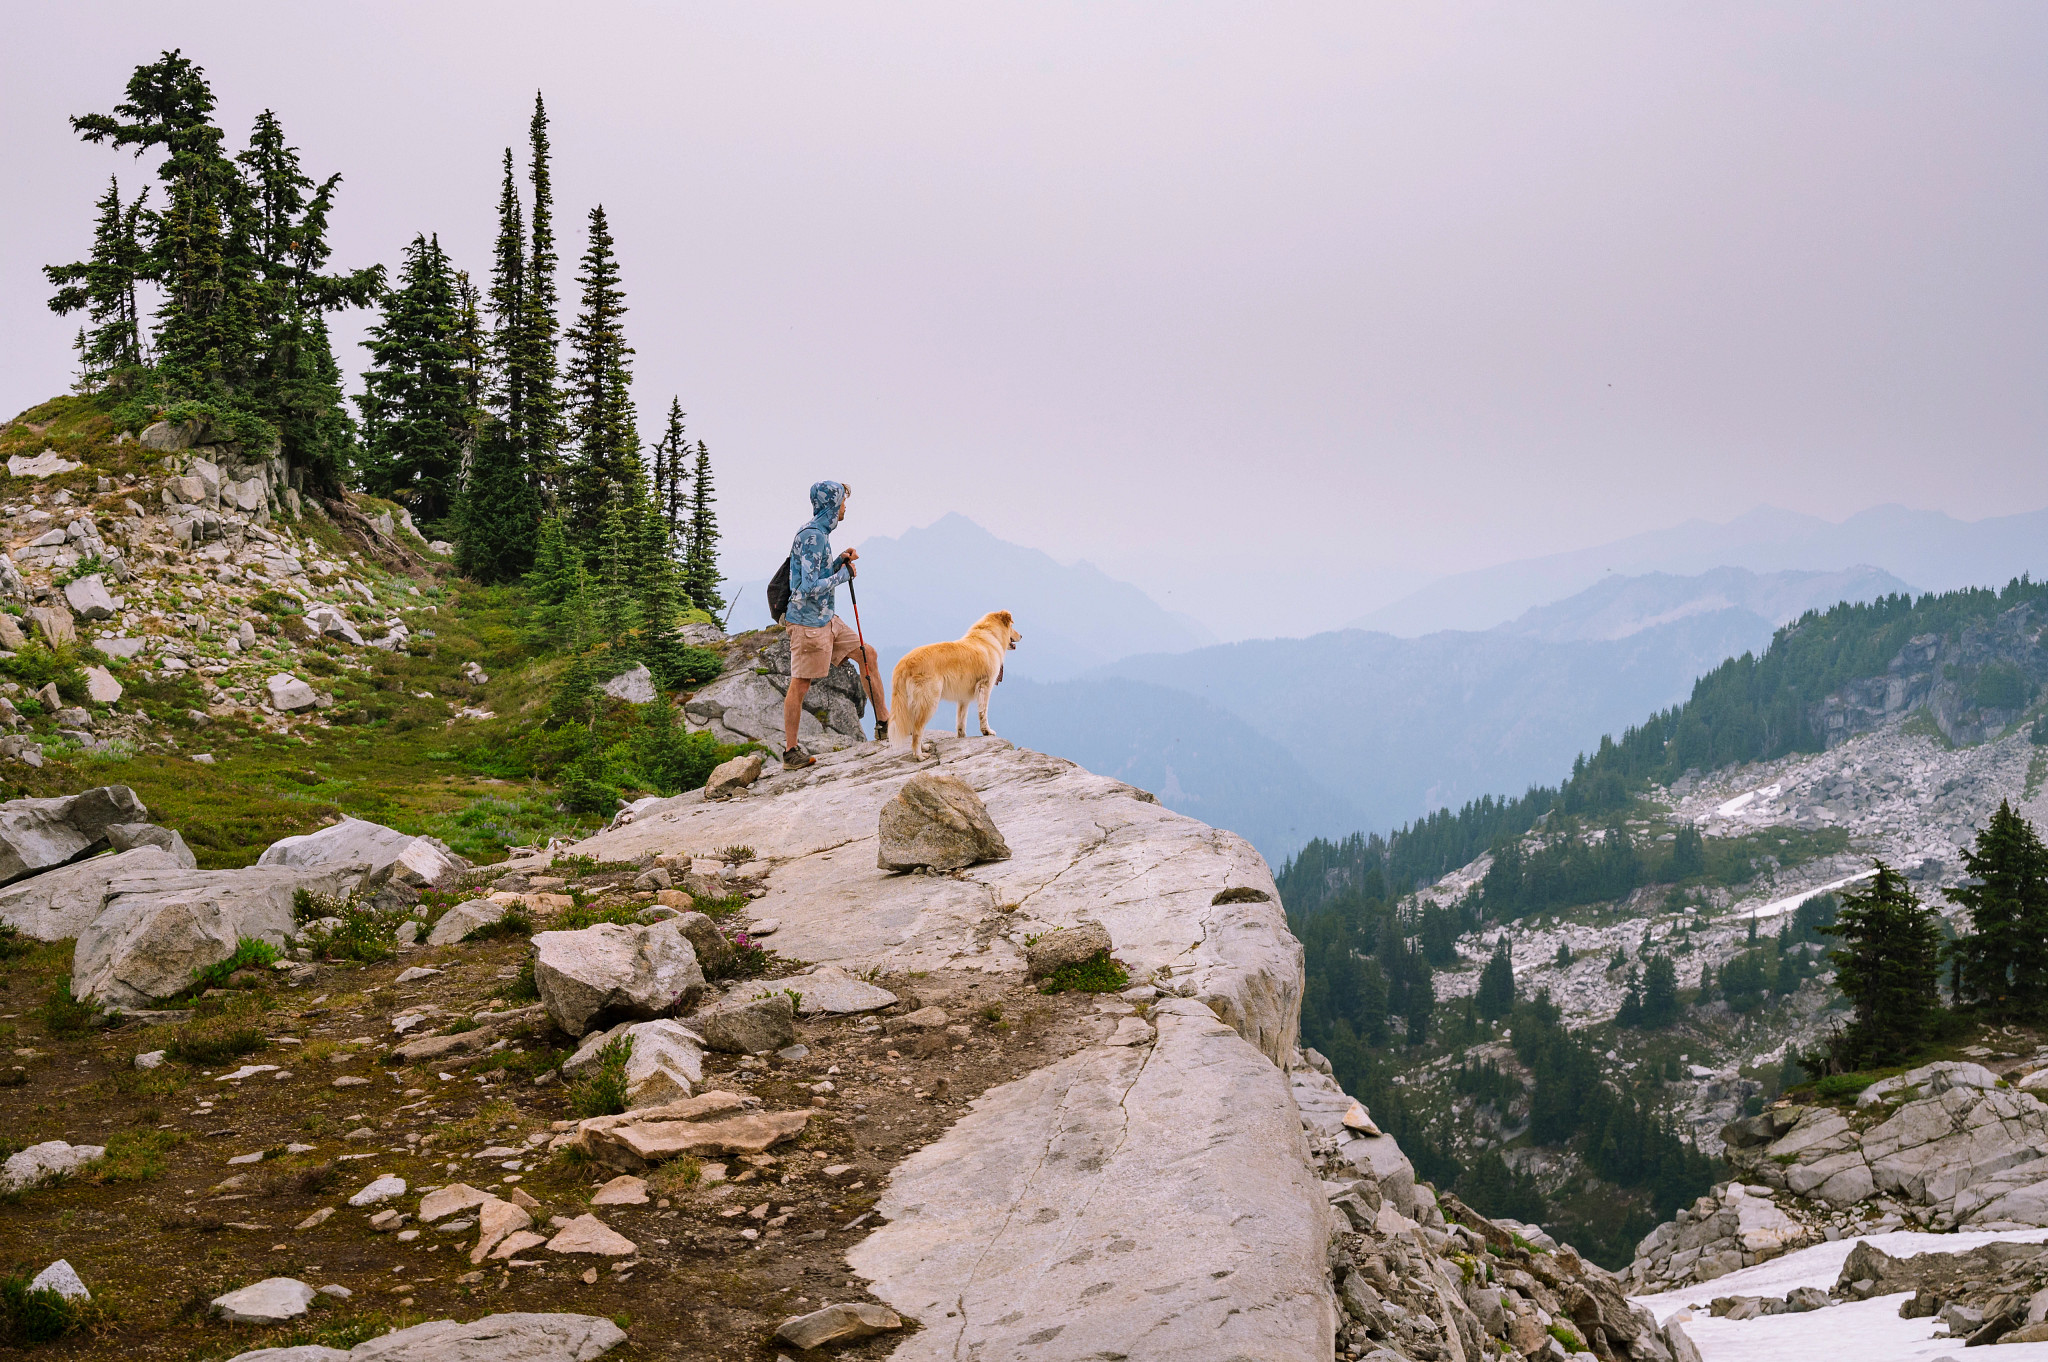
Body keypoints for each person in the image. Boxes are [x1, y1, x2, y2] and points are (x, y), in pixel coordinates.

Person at [781, 480, 889, 767]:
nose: (844, 508)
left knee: (868, 654)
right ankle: (791, 753)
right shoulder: (813, 536)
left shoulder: (820, 535)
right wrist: (845, 576)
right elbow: (807, 587)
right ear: (832, 504)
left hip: (827, 618)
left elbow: (817, 574)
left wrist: (839, 562)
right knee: (801, 684)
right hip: (808, 625)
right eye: (842, 502)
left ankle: (885, 724)